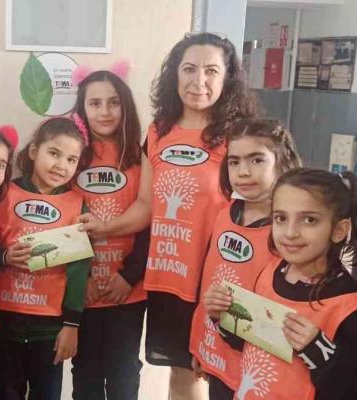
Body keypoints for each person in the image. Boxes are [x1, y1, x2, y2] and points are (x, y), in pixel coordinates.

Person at [80, 33, 257, 398]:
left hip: (220, 279)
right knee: (182, 373)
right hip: (169, 277)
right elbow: (146, 207)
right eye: (189, 69)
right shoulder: (158, 132)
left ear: (227, 78)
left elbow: (259, 202)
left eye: (211, 70)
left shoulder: (239, 135)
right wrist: (105, 227)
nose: (199, 81)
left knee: (225, 377)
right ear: (175, 74)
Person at [206, 168, 357, 400]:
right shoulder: (271, 271)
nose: (290, 232)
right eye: (281, 218)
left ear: (339, 230)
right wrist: (223, 317)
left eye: (309, 220)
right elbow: (250, 344)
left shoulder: (348, 306)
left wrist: (319, 350)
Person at [189, 118, 301, 399]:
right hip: (217, 353)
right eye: (234, 161)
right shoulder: (224, 213)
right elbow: (210, 282)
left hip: (259, 369)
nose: (243, 172)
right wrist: (203, 347)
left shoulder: (290, 233)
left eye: (256, 160)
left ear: (282, 162)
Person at [0, 117, 91, 400]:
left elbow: (78, 268)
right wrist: (4, 256)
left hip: (49, 328)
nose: (61, 166)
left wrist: (72, 325)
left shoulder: (76, 205)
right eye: (54, 153)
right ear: (34, 151)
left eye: (71, 159)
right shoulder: (3, 194)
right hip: (4, 322)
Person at [69, 68, 148, 400]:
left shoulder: (139, 155)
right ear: (82, 108)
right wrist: (83, 277)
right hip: (82, 287)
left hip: (127, 289)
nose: (105, 111)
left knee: (124, 373)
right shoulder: (71, 154)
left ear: (125, 105)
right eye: (95, 103)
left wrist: (129, 275)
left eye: (113, 102)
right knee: (85, 371)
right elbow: (63, 216)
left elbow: (151, 220)